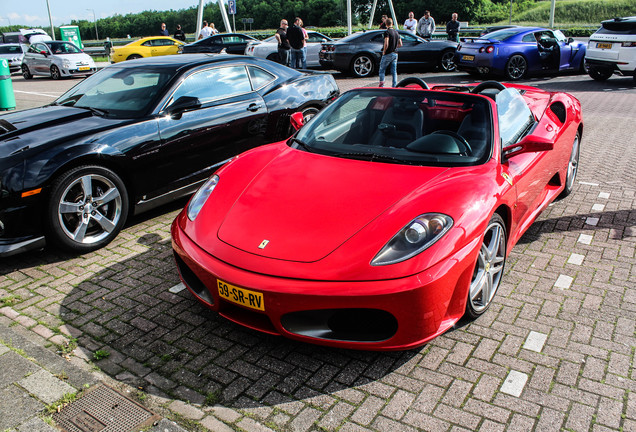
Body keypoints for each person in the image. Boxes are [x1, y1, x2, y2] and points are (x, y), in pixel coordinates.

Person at [378, 18, 402, 88]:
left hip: (388, 53)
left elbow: (386, 43)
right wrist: (395, 46)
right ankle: (394, 86)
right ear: (392, 24)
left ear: (386, 24)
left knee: (382, 69)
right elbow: (400, 44)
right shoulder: (396, 32)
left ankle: (382, 85)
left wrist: (384, 51)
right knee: (394, 71)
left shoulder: (387, 32)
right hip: (395, 53)